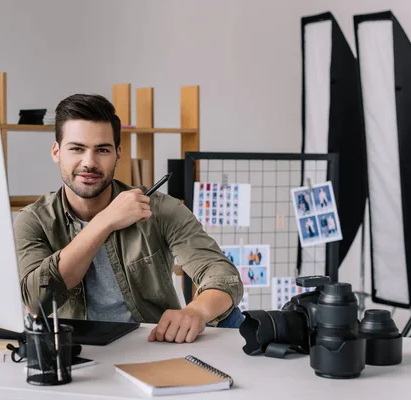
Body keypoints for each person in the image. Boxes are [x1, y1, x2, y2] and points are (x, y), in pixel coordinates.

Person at [14, 94, 244, 344]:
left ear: (118, 154)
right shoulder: (33, 220)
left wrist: (196, 311)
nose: (89, 162)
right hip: (73, 351)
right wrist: (106, 221)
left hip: (151, 347)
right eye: (77, 149)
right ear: (57, 151)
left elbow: (222, 275)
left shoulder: (159, 208)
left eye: (102, 150)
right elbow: (36, 302)